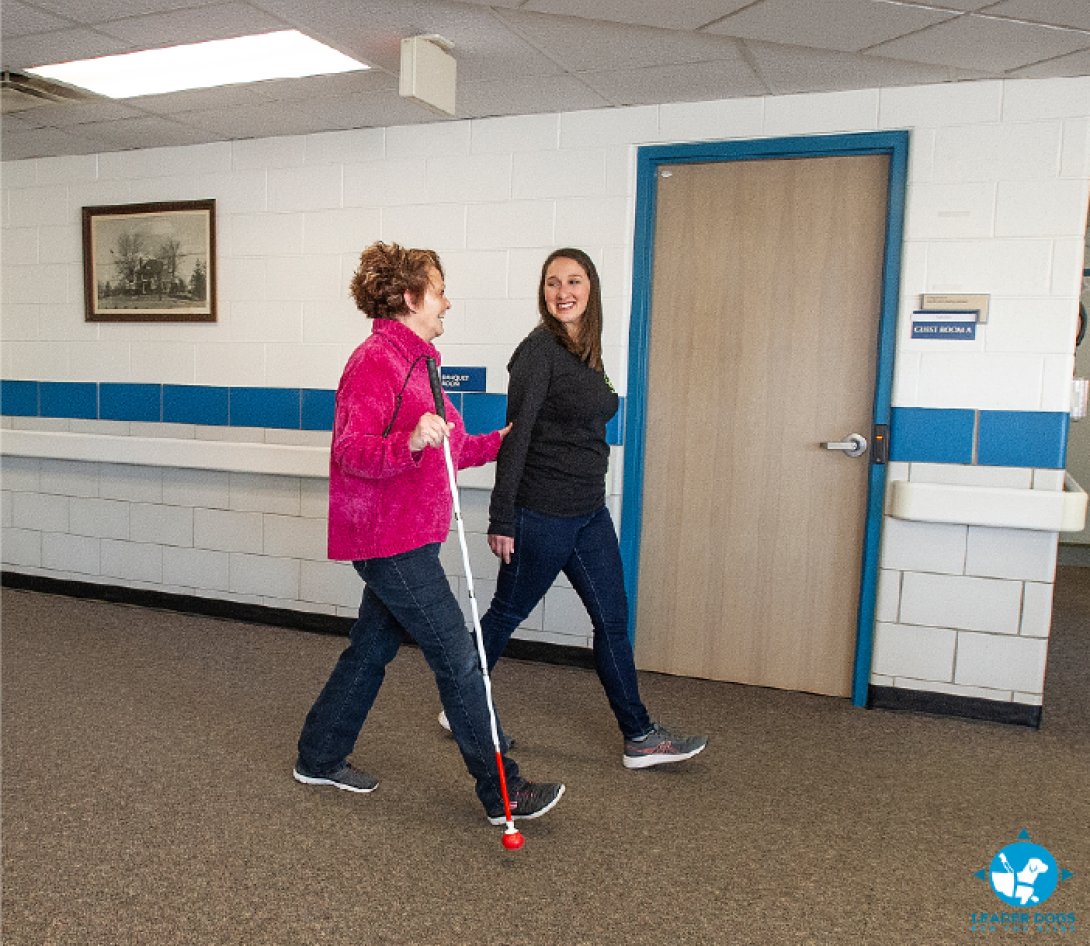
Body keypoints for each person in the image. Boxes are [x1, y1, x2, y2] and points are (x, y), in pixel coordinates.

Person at [294, 241, 564, 826]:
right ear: (412, 298)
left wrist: (505, 441)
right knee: (458, 656)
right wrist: (409, 441)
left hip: (410, 536)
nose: (448, 301)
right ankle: (502, 792)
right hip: (385, 538)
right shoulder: (375, 361)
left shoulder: (422, 363)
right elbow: (351, 453)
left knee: (371, 648)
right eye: (439, 290)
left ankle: (318, 755)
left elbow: (451, 448)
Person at [465, 247, 708, 769]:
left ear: (591, 288)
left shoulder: (587, 351)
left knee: (612, 621)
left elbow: (596, 410)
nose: (562, 292)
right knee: (506, 615)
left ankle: (639, 735)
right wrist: (502, 517)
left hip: (589, 512)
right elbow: (517, 435)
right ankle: (461, 705)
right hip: (542, 512)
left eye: (573, 281)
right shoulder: (537, 353)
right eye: (552, 283)